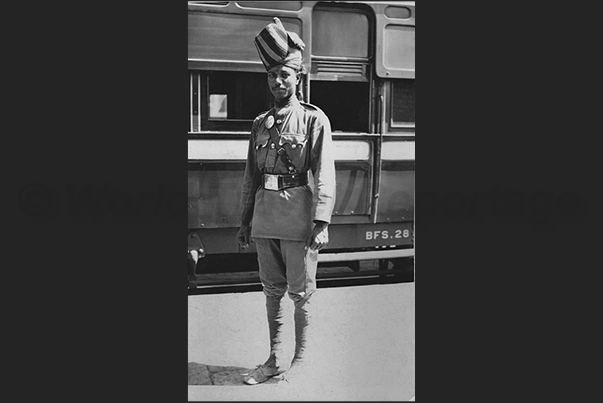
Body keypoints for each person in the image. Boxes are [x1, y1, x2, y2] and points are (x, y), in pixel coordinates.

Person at [236, 17, 336, 385]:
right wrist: (245, 222)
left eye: (285, 75)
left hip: (298, 216)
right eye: (272, 75)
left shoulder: (313, 119)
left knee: (301, 293)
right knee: (271, 291)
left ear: (298, 78)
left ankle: (304, 360)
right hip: (265, 217)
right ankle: (276, 359)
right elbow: (251, 177)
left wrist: (321, 222)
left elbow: (325, 171)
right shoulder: (260, 123)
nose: (277, 82)